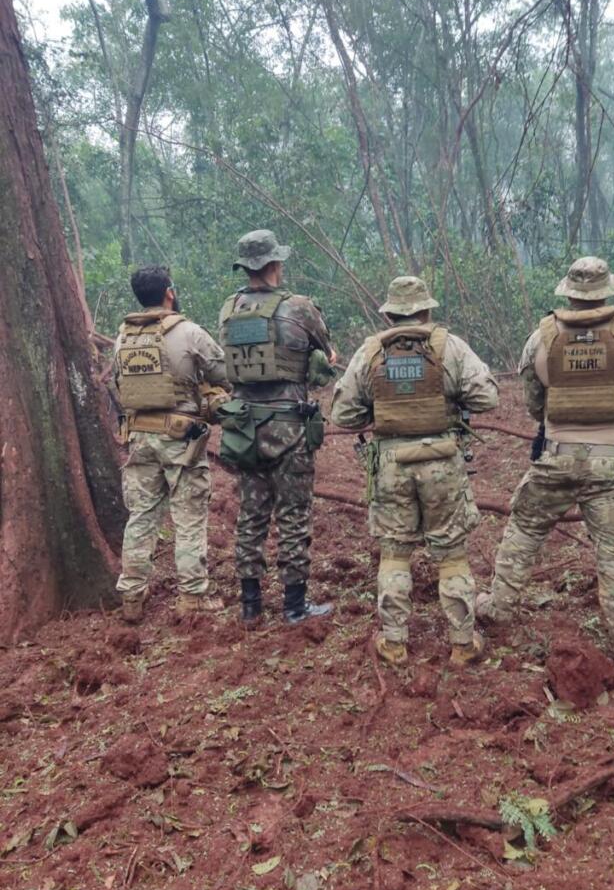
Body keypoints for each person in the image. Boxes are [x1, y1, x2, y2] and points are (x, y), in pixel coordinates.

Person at [477, 256, 614, 669]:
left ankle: (498, 607)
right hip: (609, 464)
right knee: (613, 551)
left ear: (570, 293)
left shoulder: (540, 338)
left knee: (523, 529)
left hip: (556, 458)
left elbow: (533, 406)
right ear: (607, 289)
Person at [331, 275, 499, 666]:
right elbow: (487, 396)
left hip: (391, 463)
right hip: (442, 459)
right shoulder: (448, 346)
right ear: (426, 309)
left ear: (390, 314)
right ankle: (462, 643)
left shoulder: (371, 352)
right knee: (452, 553)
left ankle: (393, 643)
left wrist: (379, 409)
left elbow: (343, 413)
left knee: (394, 552)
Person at [218, 229, 335, 627]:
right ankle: (294, 606)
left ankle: (250, 606)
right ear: (272, 265)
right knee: (294, 516)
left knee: (250, 516)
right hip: (290, 430)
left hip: (245, 429)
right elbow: (327, 353)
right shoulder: (299, 308)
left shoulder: (228, 309)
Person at [114, 265, 230, 622]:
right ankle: (193, 595)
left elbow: (120, 386)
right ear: (169, 292)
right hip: (181, 438)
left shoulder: (123, 338)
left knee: (142, 515)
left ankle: (132, 594)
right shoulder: (189, 332)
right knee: (189, 515)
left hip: (139, 436)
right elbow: (223, 374)